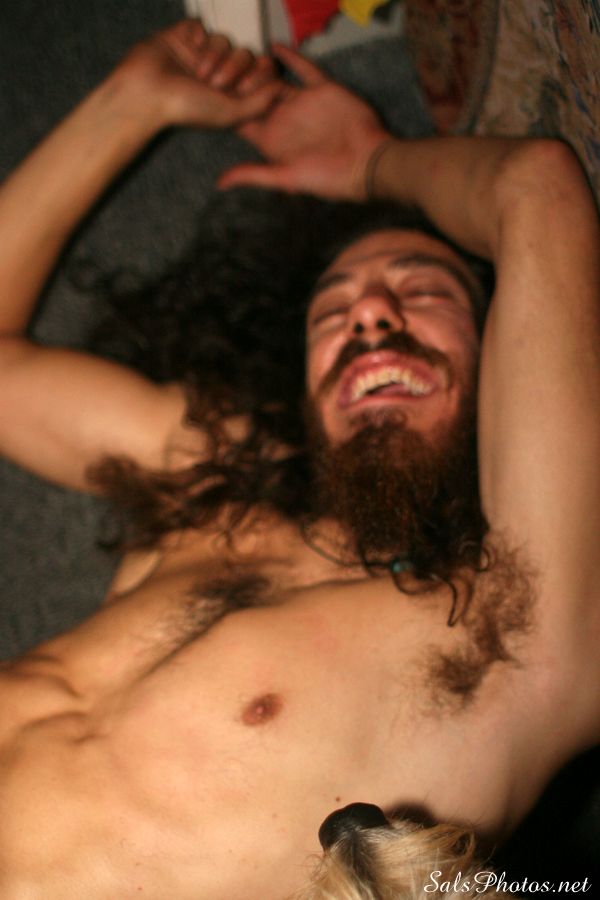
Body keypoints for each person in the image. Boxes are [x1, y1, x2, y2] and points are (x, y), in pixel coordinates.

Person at [0, 17, 598, 899]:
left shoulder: (519, 634)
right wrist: (131, 100)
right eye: (332, 312)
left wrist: (372, 162)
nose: (371, 315)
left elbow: (534, 188)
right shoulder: (217, 485)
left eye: (424, 290)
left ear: (508, 359)